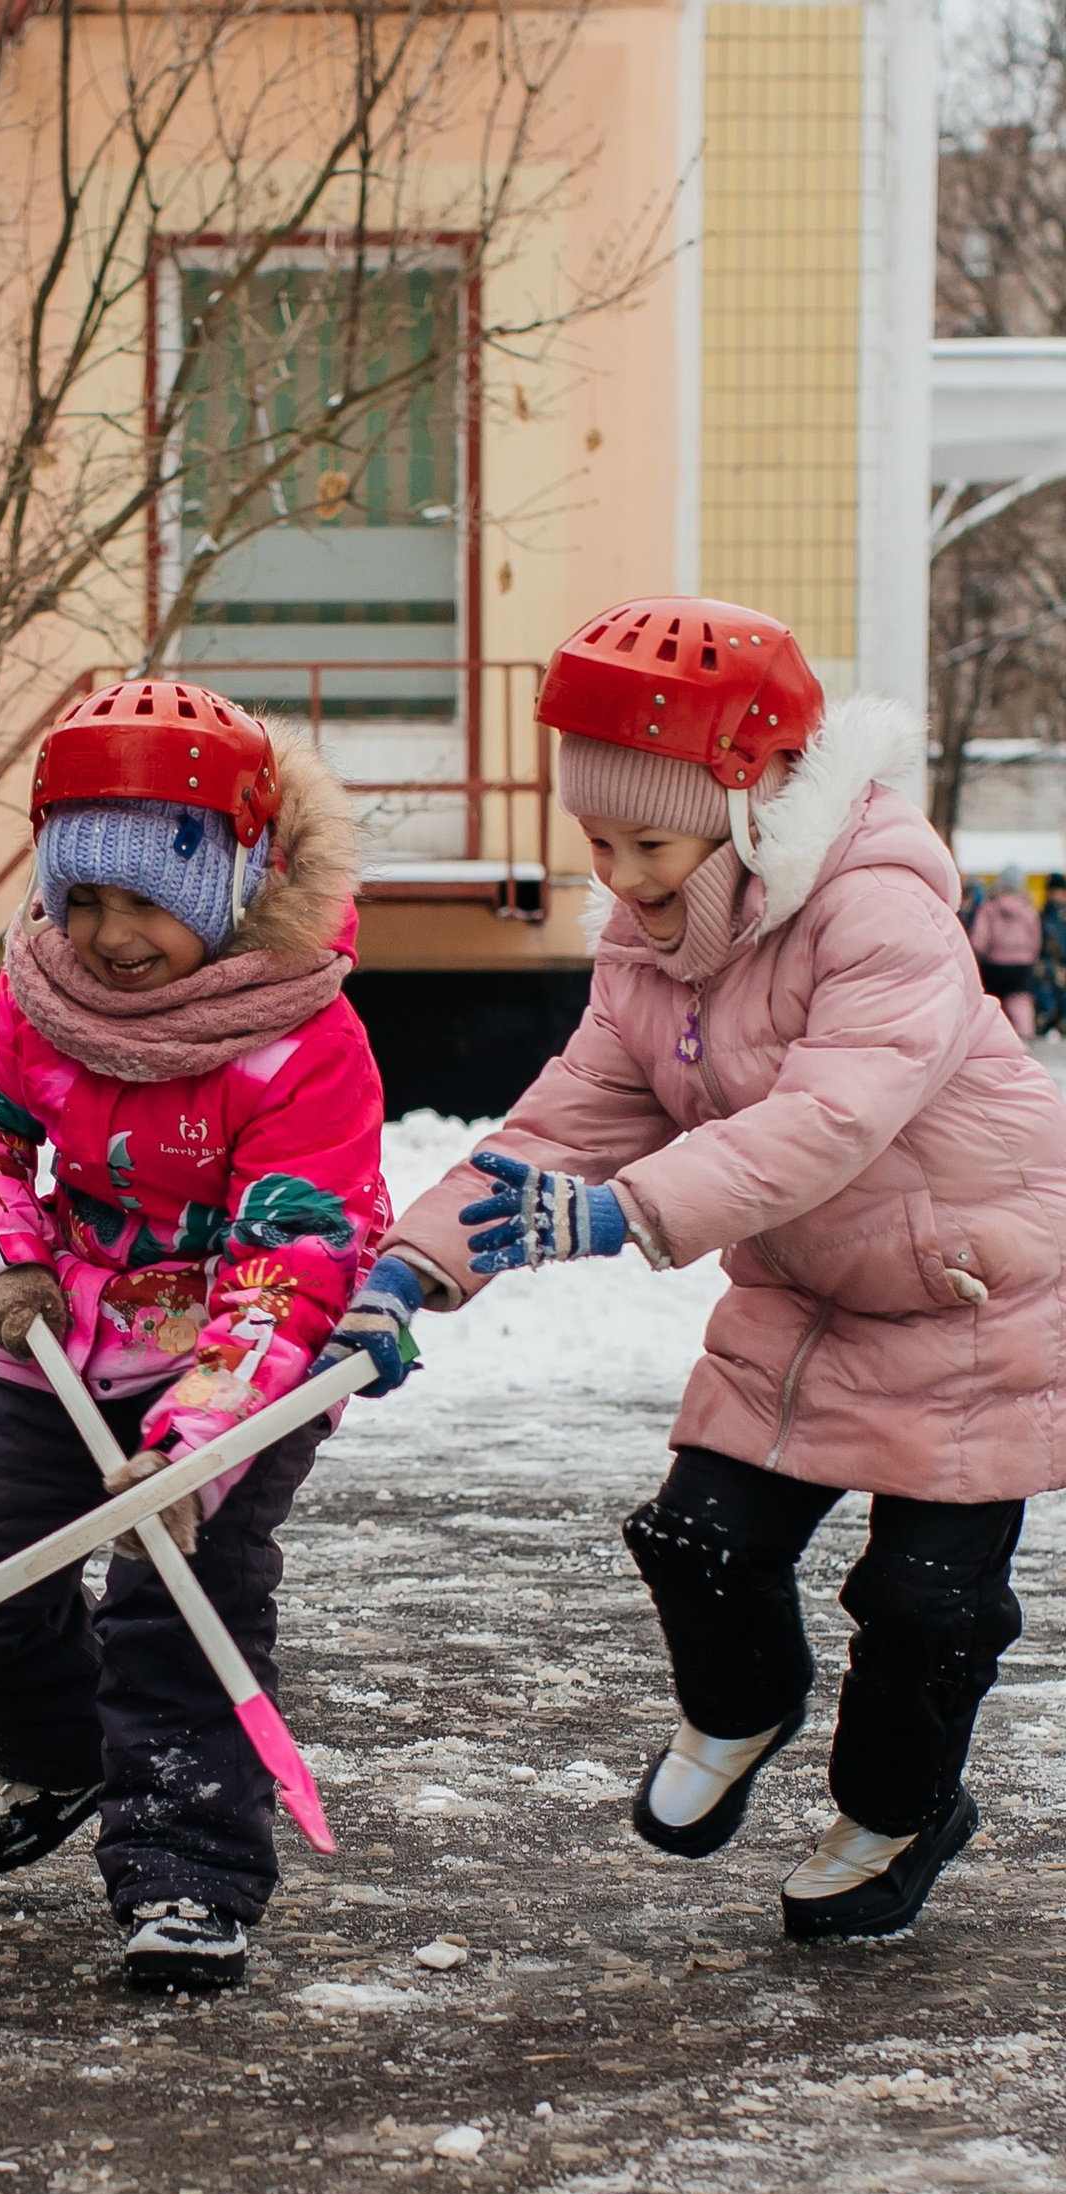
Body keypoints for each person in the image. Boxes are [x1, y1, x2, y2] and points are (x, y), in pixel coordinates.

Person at [334, 595, 1066, 1944]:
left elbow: (829, 1121)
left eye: (649, 841)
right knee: (694, 1537)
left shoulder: (879, 917)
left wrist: (630, 1216)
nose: (620, 874)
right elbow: (560, 1126)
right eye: (597, 841)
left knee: (923, 1605)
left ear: (755, 801)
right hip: (804, 1296)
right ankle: (742, 1706)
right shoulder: (653, 949)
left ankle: (899, 1813)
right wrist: (409, 1269)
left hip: (979, 1298)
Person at [0, 679, 384, 1995]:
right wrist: (3, 1257)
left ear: (234, 879)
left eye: (149, 897)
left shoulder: (301, 1042)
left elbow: (293, 1258)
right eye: (83, 895)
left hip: (244, 1364)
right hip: (70, 1337)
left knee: (183, 1599)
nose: (110, 935)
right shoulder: (40, 993)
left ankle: (187, 1872)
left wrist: (202, 1440)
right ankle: (57, 1749)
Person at [969, 864, 1043, 1040]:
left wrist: (981, 955)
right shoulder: (1028, 908)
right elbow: (1036, 937)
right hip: (1022, 963)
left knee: (994, 1002)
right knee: (1021, 1000)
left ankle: (995, 1040)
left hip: (994, 962)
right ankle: (1025, 1035)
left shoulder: (989, 907)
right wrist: (1030, 956)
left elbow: (979, 938)